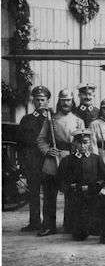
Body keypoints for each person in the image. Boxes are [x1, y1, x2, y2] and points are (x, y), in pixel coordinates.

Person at [37, 89, 85, 236]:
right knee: (50, 196)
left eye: (68, 100)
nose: (66, 103)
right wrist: (47, 150)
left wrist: (76, 155)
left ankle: (70, 225)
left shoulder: (78, 121)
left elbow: (82, 142)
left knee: (71, 194)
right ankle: (49, 226)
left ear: (72, 102)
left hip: (70, 160)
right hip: (53, 160)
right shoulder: (50, 120)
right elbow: (41, 139)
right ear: (59, 101)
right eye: (63, 100)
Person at [56, 129, 105, 245]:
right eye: (80, 142)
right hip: (76, 198)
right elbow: (60, 181)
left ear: (90, 143)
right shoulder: (67, 160)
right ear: (75, 144)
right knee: (80, 235)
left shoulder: (96, 159)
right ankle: (82, 227)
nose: (83, 145)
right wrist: (69, 190)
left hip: (94, 195)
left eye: (86, 142)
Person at [18, 86, 51, 232]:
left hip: (48, 160)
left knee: (50, 193)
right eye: (37, 100)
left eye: (43, 100)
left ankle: (49, 223)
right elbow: (21, 144)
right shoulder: (26, 119)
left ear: (47, 101)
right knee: (34, 193)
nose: (40, 103)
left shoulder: (52, 118)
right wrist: (22, 163)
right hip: (32, 161)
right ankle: (34, 222)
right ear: (33, 101)